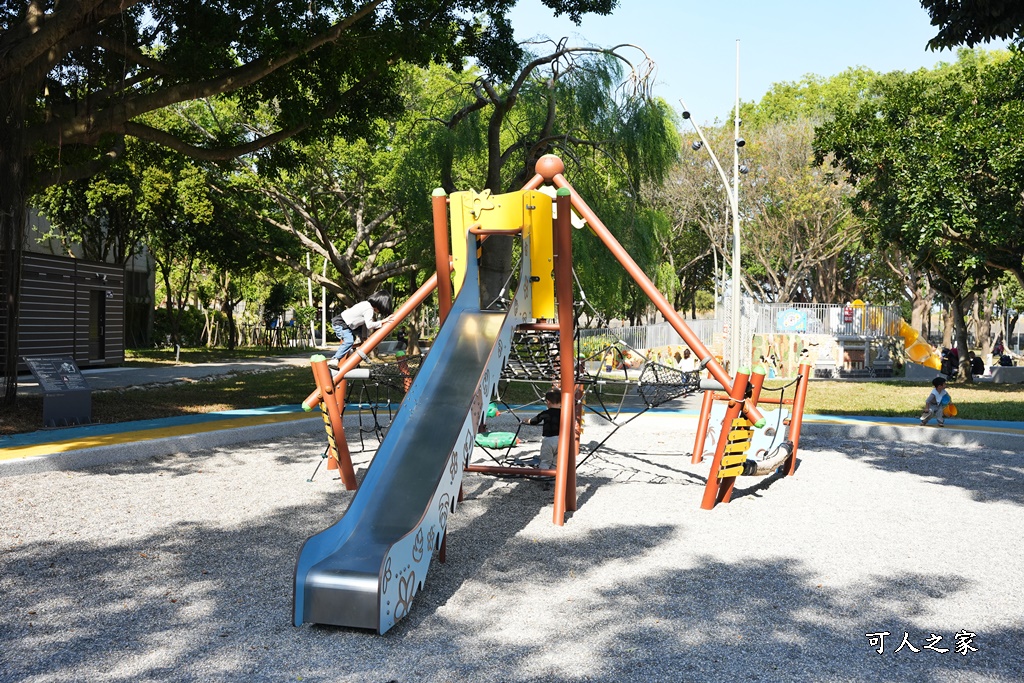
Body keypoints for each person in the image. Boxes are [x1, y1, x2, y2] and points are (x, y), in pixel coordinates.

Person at [329, 291, 393, 367]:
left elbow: (364, 324)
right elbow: (369, 325)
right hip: (341, 323)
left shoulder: (365, 303)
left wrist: (364, 338)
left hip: (349, 324)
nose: (379, 312)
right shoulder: (369, 309)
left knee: (357, 341)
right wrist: (383, 321)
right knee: (349, 341)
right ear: (380, 304)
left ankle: (352, 356)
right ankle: (335, 359)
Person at [524, 389, 561, 470]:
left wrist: (526, 420)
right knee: (556, 462)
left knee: (545, 461)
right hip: (561, 440)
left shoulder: (546, 413)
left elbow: (534, 421)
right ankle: (553, 479)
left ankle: (543, 476)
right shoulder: (564, 413)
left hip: (549, 440)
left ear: (548, 402)